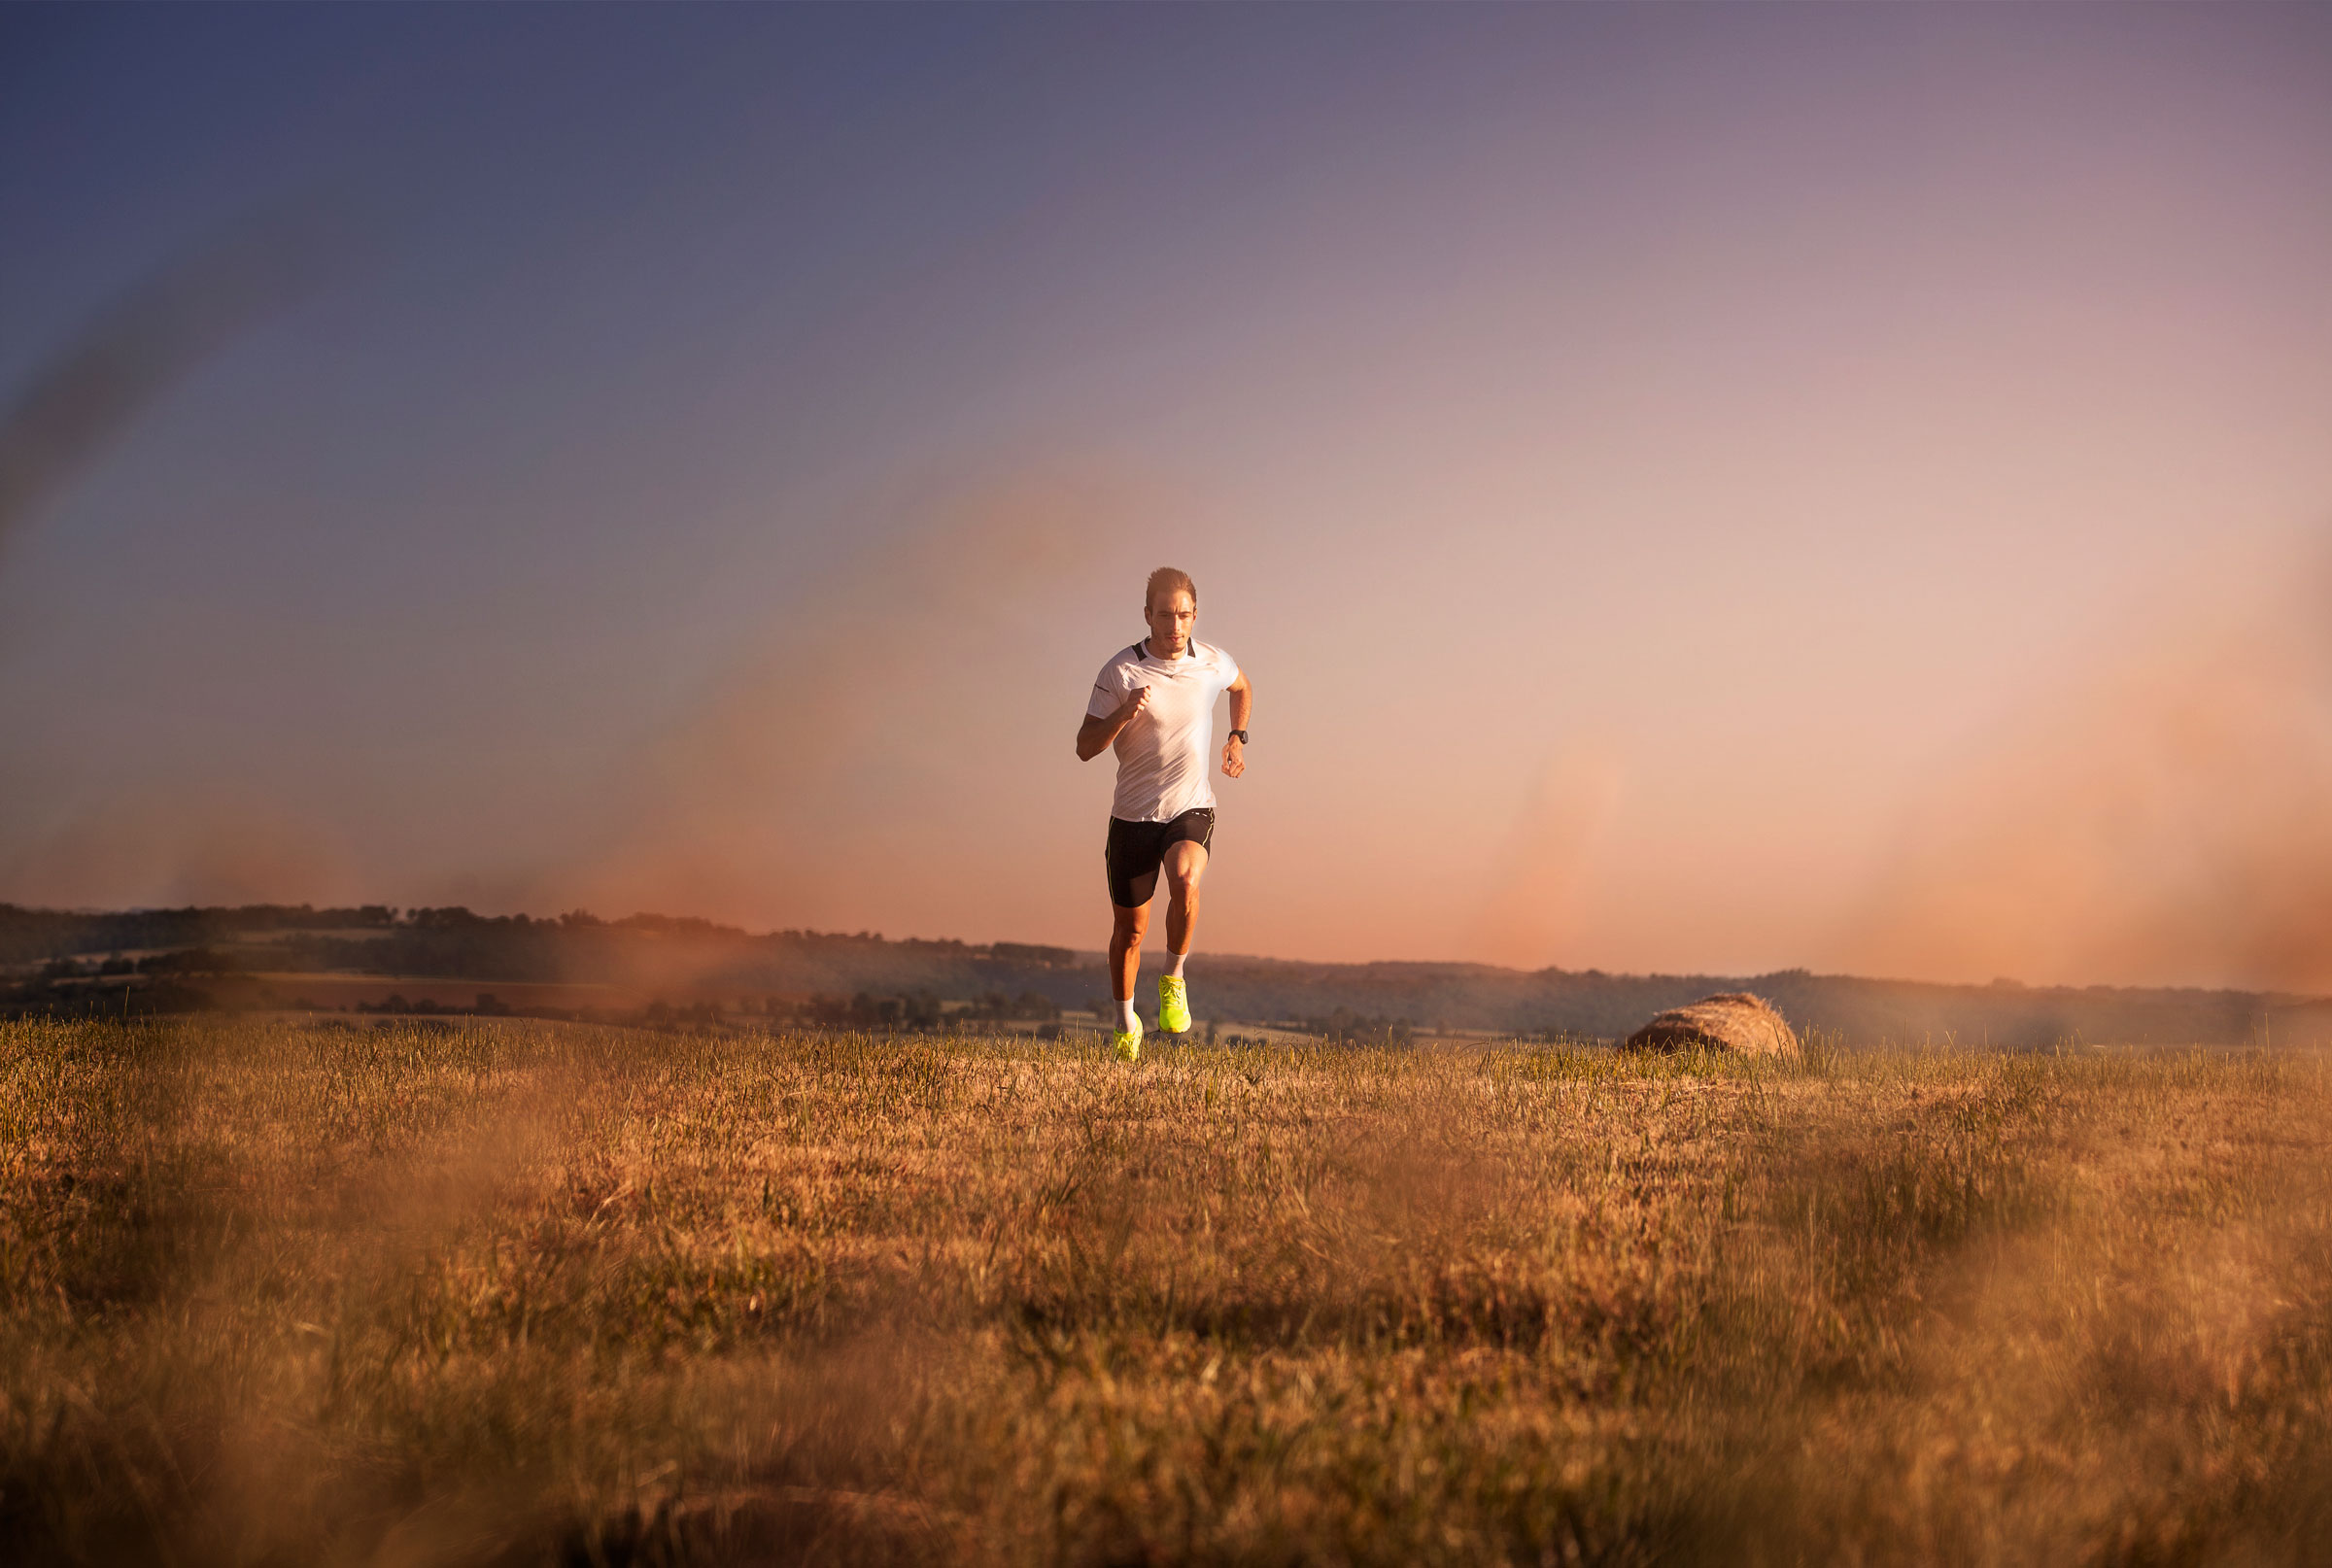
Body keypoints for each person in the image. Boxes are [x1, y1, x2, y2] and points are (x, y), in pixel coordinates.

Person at [1076, 567, 1252, 1062]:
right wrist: (1122, 714)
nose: (1174, 625)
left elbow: (1242, 688)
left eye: (1183, 615)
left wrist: (1237, 737)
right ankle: (1124, 1020)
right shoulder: (1120, 672)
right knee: (1130, 931)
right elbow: (1085, 747)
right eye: (1164, 614)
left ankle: (1174, 978)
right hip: (1132, 817)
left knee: (1186, 878)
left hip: (1190, 806)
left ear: (1194, 615)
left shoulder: (1212, 661)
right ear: (1147, 615)